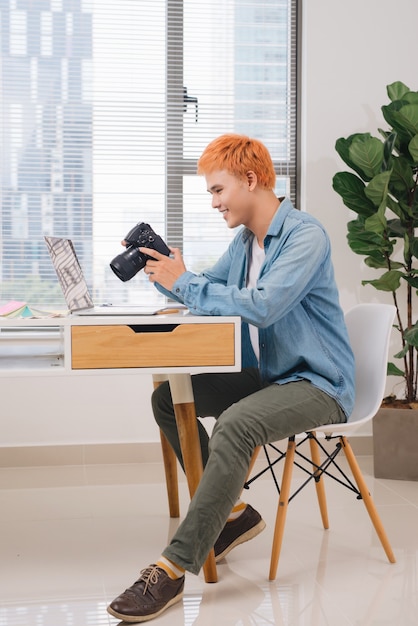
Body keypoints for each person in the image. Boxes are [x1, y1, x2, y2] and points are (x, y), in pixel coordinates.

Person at [107, 134, 355, 622]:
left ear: (251, 179)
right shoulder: (246, 241)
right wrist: (170, 270)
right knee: (167, 401)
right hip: (270, 375)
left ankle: (173, 566)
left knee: (235, 424)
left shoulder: (305, 236)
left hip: (319, 383)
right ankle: (235, 514)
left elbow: (262, 307)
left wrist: (187, 282)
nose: (215, 202)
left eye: (218, 190)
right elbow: (213, 287)